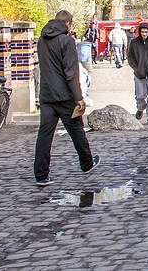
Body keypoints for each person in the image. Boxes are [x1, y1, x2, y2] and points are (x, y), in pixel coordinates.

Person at [33, 10, 99, 187]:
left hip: (46, 94)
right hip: (64, 95)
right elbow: (71, 72)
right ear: (69, 23)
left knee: (44, 135)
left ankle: (41, 175)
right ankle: (87, 164)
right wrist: (79, 97)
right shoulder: (66, 41)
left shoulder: (42, 40)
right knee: (76, 131)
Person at [128, 22, 148, 125]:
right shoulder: (134, 43)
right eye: (142, 32)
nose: (144, 34)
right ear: (139, 32)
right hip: (139, 73)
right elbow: (130, 57)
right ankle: (141, 108)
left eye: (146, 32)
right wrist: (136, 68)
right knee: (140, 96)